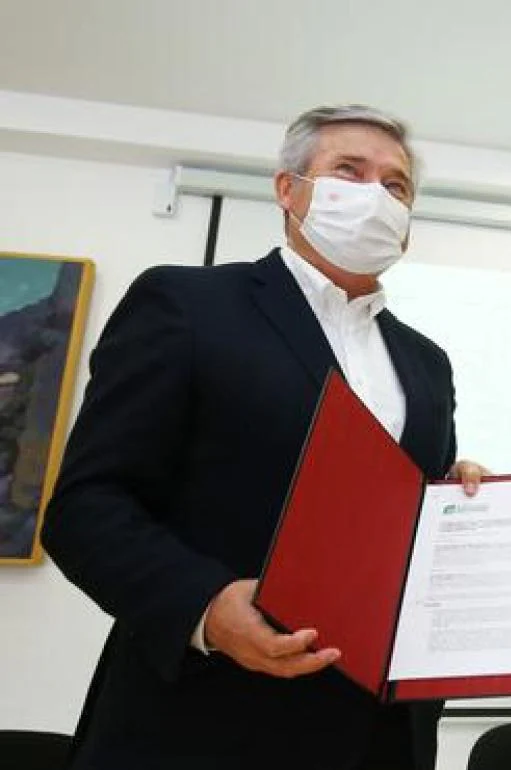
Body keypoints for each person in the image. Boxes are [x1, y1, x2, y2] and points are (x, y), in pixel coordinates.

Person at [42, 105, 485, 770]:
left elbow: (403, 523)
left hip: (381, 735)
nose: (375, 195)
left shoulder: (426, 362)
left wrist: (454, 503)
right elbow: (86, 506)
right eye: (349, 171)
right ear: (287, 189)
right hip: (204, 722)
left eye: (395, 187)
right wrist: (205, 606)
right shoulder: (188, 305)